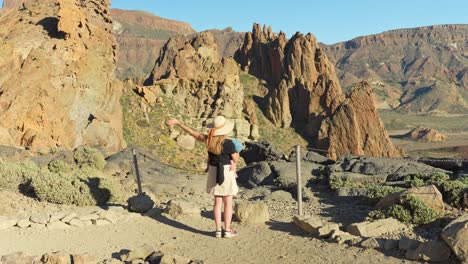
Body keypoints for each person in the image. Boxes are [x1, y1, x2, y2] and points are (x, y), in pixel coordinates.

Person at [166, 115, 240, 238]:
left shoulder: (208, 141)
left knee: (217, 202)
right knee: (228, 202)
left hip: (213, 171)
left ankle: (217, 230)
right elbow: (235, 158)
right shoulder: (229, 143)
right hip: (225, 172)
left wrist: (179, 123)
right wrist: (234, 161)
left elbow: (192, 132)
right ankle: (227, 230)